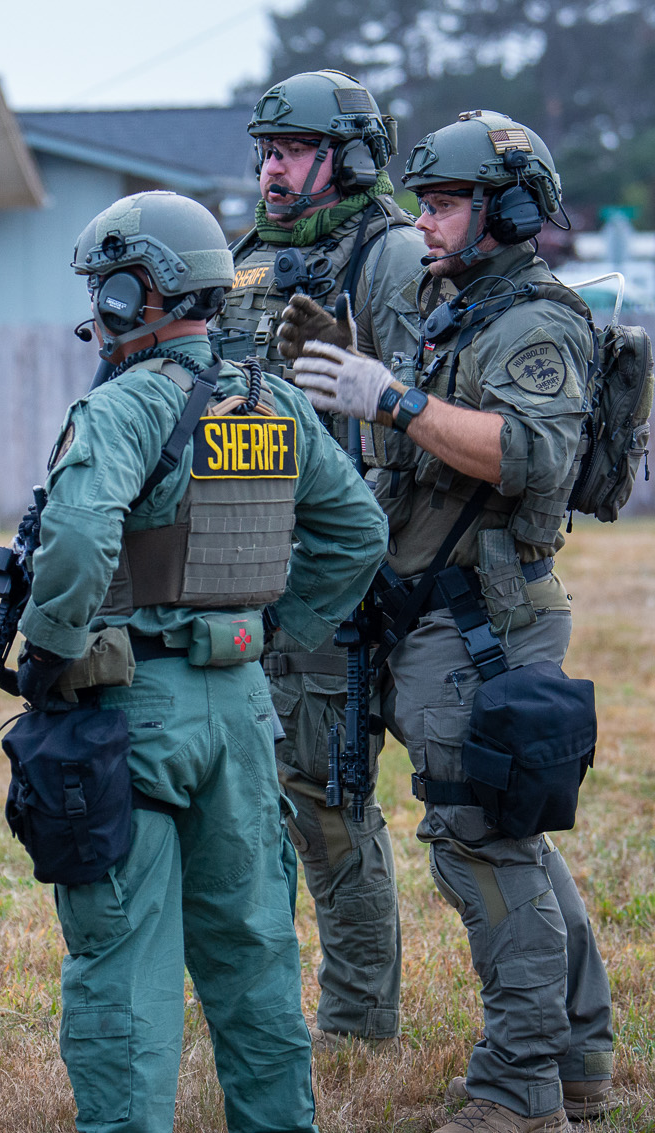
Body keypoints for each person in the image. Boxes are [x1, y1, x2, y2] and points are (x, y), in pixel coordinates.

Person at [0, 191, 386, 1133]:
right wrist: (270, 629)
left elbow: (74, 536)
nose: (93, 307)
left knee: (120, 952)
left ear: (137, 289)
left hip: (132, 712)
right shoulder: (271, 404)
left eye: (99, 286)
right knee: (253, 944)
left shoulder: (124, 406)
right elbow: (355, 530)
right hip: (241, 708)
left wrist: (55, 656)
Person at [287, 111, 616, 1133]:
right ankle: (575, 1061)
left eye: (440, 203)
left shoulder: (535, 321)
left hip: (484, 623)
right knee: (507, 835)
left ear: (506, 209)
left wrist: (390, 397)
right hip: (427, 614)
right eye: (420, 202)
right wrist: (356, 374)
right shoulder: (447, 304)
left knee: (477, 842)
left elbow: (525, 456)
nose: (421, 222)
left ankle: (517, 1095)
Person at [220, 70, 429, 1049]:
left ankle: (355, 1030)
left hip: (345, 574)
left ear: (344, 158)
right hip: (246, 565)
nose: (268, 167)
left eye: (289, 149)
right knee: (252, 800)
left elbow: (425, 412)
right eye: (262, 150)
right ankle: (261, 1018)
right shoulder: (253, 260)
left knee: (328, 803)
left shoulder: (387, 257)